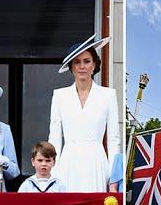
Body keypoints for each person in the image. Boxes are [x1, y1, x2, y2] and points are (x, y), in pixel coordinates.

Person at [48, 34, 120, 192]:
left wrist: (114, 179)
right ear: (71, 67)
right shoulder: (59, 96)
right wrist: (53, 173)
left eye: (86, 61)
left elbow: (114, 140)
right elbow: (54, 138)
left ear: (94, 64)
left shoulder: (108, 95)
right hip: (67, 162)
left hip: (96, 162)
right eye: (77, 62)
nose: (82, 66)